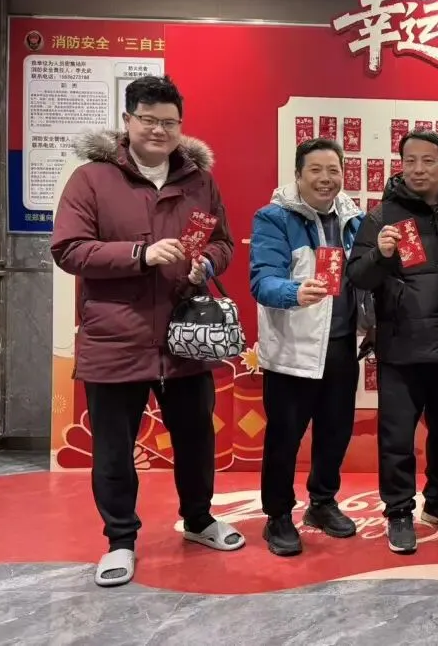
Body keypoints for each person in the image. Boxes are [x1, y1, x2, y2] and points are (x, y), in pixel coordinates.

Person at [51, 75, 245, 588]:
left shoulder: (199, 181)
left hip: (185, 338)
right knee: (114, 449)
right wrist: (141, 254)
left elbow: (223, 241)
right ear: (128, 121)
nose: (160, 131)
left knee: (196, 440)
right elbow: (68, 249)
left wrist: (207, 262)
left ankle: (199, 520)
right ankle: (120, 540)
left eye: (170, 122)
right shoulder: (92, 179)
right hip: (116, 338)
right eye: (149, 120)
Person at [346, 130, 438, 554]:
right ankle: (399, 511)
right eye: (410, 161)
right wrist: (379, 254)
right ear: (400, 165)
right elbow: (358, 277)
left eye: (428, 161)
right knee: (396, 438)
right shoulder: (382, 216)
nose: (418, 169)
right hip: (400, 347)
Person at [250, 137, 367, 557]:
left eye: (333, 170)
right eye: (315, 170)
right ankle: (278, 515)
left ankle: (322, 502)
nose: (325, 178)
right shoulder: (274, 218)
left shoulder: (355, 220)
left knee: (336, 432)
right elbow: (262, 279)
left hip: (341, 346)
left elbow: (365, 278)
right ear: (298, 174)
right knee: (284, 438)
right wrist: (294, 292)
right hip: (292, 351)